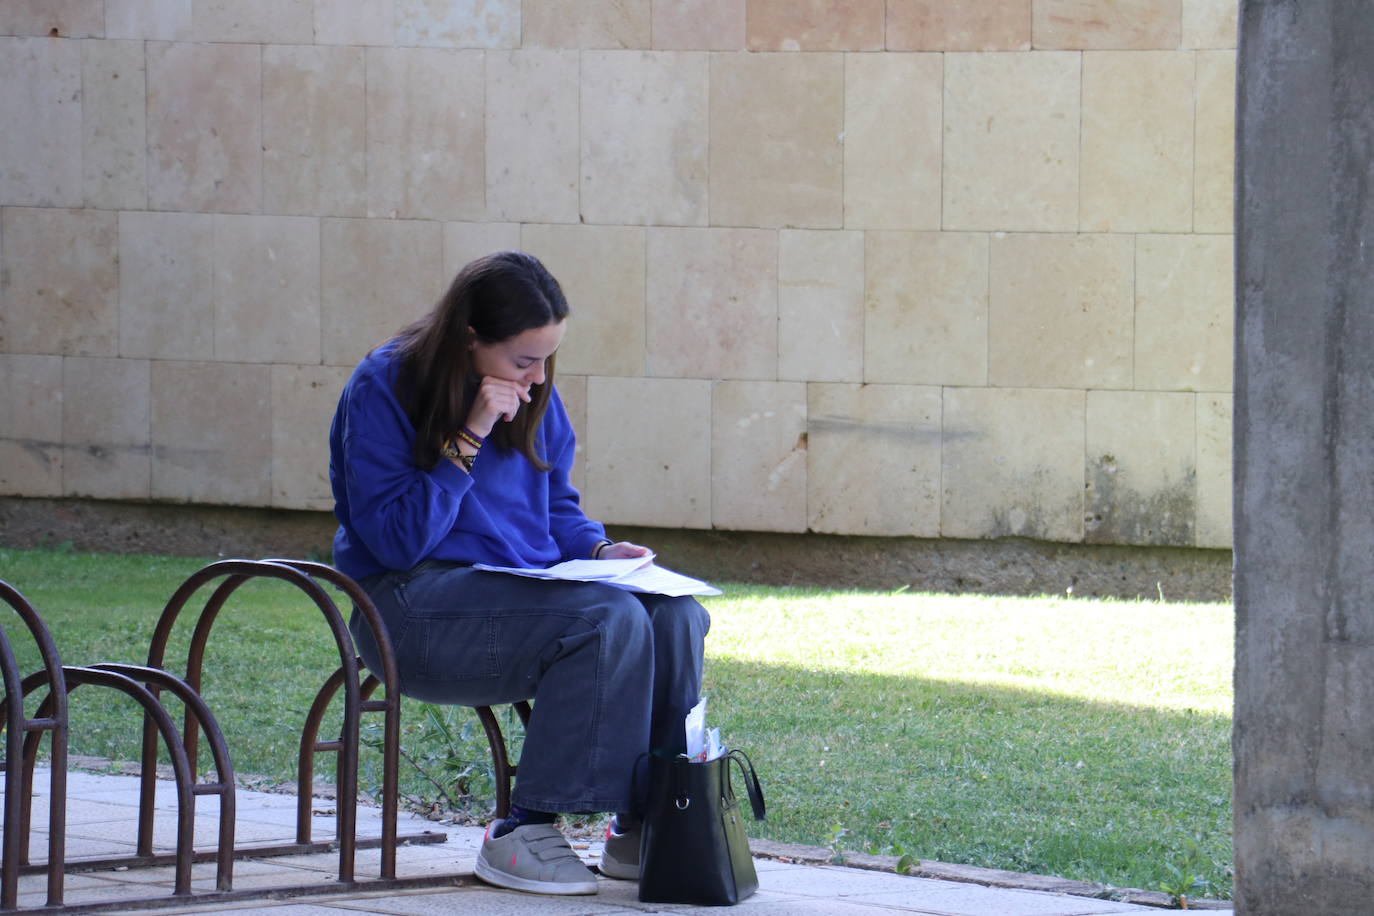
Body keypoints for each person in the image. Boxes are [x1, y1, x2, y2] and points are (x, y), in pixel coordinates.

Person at [327, 251, 710, 896]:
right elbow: (394, 541)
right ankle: (522, 830)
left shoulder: (533, 394)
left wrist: (598, 549)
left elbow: (556, 504)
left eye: (547, 359)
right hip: (408, 608)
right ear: (470, 337)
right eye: (524, 360)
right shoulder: (385, 385)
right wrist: (469, 435)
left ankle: (645, 823)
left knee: (674, 614)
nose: (536, 379)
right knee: (603, 619)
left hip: (519, 597)